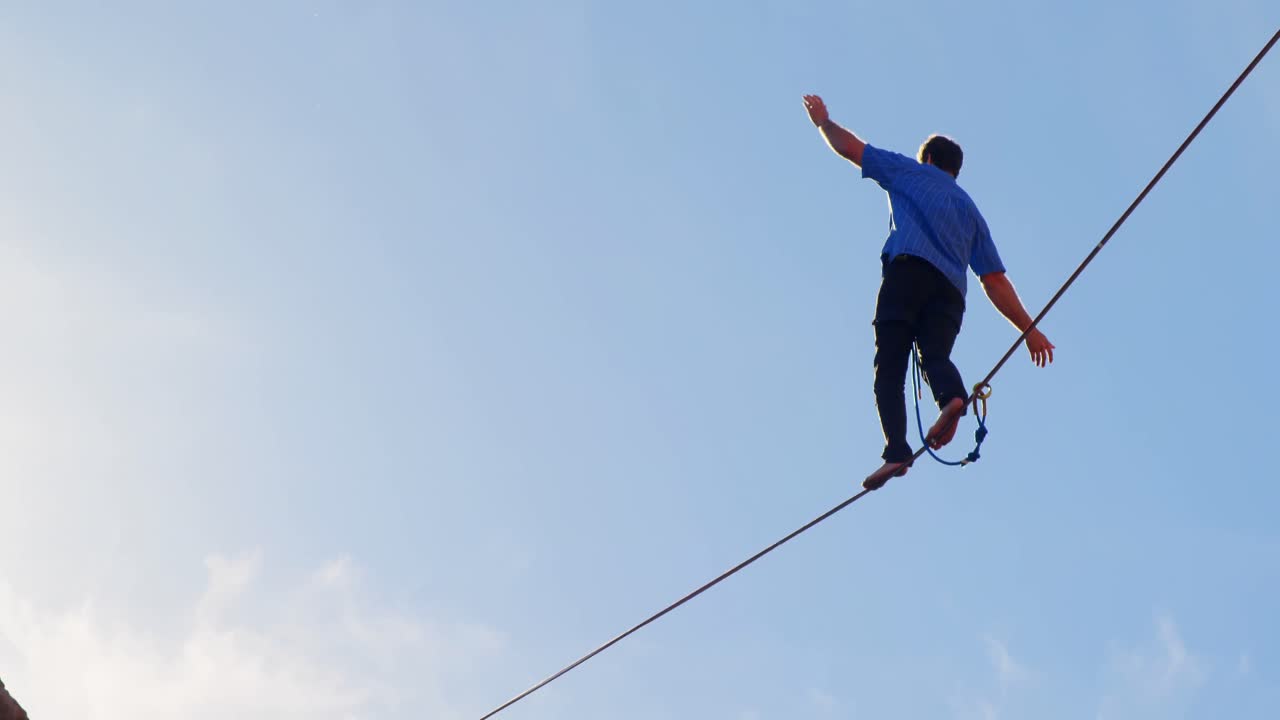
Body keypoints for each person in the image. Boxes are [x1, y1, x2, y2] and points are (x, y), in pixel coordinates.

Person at [801, 94, 1055, 490]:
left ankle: (897, 450)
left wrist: (823, 122)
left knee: (890, 365)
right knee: (934, 355)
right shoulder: (971, 212)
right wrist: (1030, 330)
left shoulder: (910, 172)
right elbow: (995, 282)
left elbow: (851, 147)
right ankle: (951, 396)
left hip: (908, 276)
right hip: (950, 297)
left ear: (930, 161)